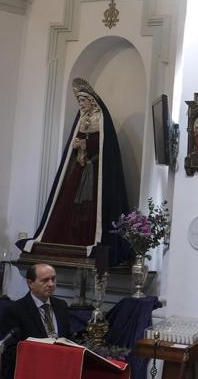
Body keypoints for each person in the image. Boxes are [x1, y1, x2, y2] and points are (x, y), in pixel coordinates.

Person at [19, 78, 132, 265]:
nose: (81, 104)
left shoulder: (100, 119)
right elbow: (75, 142)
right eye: (79, 101)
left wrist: (86, 144)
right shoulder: (82, 120)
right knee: (71, 203)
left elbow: (105, 146)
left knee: (91, 205)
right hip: (80, 168)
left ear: (92, 101)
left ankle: (87, 237)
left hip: (96, 172)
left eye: (83, 100)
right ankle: (67, 238)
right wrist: (77, 145)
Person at [0, 262, 74, 379]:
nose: (51, 284)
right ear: (30, 283)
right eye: (45, 280)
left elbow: (68, 338)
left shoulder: (61, 306)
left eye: (53, 279)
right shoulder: (15, 310)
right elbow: (11, 351)